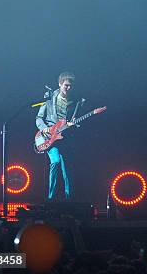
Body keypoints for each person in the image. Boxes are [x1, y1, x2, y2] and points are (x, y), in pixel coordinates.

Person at [36, 71, 83, 200]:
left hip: (66, 138)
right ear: (60, 84)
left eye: (71, 86)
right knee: (55, 162)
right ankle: (50, 198)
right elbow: (38, 118)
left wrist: (74, 125)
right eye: (66, 85)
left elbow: (76, 122)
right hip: (50, 138)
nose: (68, 88)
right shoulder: (49, 100)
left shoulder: (76, 103)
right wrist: (44, 128)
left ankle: (69, 200)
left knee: (67, 170)